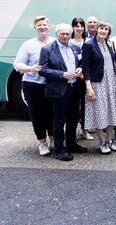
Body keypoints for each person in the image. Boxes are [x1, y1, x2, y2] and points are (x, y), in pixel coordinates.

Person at [39, 23, 88, 161]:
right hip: (59, 90)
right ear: (56, 34)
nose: (65, 36)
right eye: (62, 34)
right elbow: (43, 70)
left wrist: (80, 69)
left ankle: (72, 144)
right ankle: (59, 149)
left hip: (74, 88)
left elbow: (81, 63)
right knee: (59, 120)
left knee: (74, 118)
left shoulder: (75, 47)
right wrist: (62, 74)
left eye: (68, 34)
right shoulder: (47, 49)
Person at [13, 15, 55, 156]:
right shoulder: (28, 44)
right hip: (33, 84)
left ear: (49, 26)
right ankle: (42, 143)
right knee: (37, 115)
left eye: (44, 24)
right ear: (35, 27)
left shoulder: (55, 42)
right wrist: (31, 68)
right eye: (39, 25)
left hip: (51, 85)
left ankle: (53, 140)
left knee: (52, 113)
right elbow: (17, 64)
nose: (42, 27)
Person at [82, 21, 116, 154]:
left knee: (112, 111)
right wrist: (88, 87)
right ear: (96, 29)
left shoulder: (109, 44)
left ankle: (110, 140)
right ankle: (102, 143)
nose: (103, 31)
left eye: (106, 29)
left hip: (111, 82)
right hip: (97, 83)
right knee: (99, 113)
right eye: (101, 28)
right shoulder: (88, 45)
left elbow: (114, 63)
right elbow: (86, 68)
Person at [70, 17, 94, 141]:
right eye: (76, 26)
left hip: (86, 79)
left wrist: (85, 72)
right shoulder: (68, 42)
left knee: (87, 107)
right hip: (73, 79)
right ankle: (72, 131)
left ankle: (85, 130)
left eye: (81, 26)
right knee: (74, 107)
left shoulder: (89, 41)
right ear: (72, 27)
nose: (79, 28)